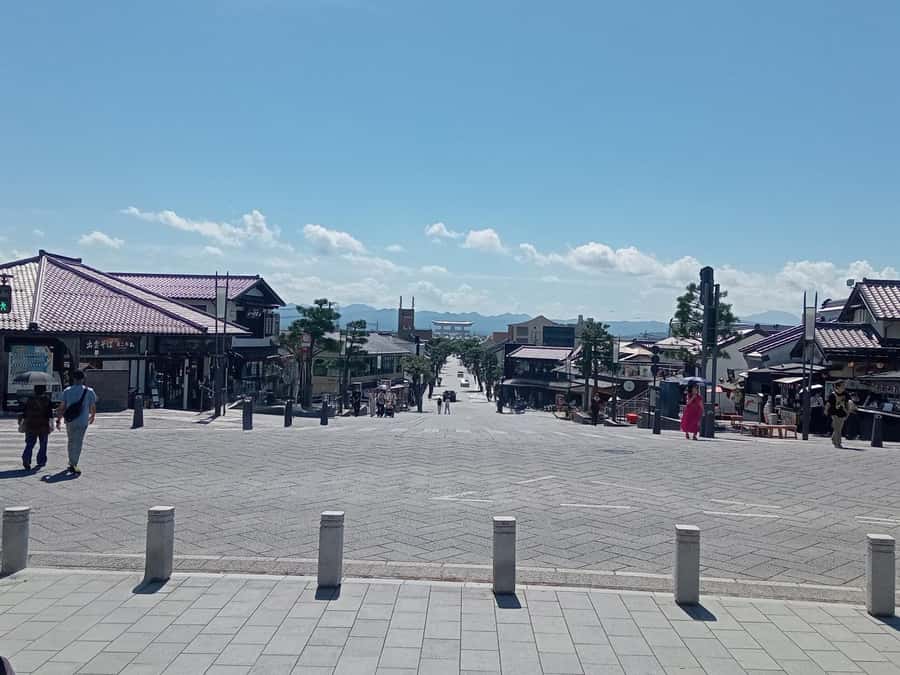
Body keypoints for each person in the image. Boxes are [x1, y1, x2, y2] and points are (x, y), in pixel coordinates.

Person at [56, 370, 97, 475]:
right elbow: (92, 406)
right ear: (83, 379)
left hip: (70, 420)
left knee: (70, 441)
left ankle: (71, 461)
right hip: (83, 420)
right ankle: (74, 463)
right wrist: (92, 416)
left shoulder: (67, 391)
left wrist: (58, 419)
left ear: (73, 379)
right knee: (78, 442)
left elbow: (62, 407)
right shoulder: (89, 391)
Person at [21, 384, 55, 471]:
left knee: (30, 443)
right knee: (43, 444)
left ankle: (26, 458)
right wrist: (51, 425)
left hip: (30, 424)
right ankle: (41, 461)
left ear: (34, 391)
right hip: (43, 425)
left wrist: (22, 423)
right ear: (44, 391)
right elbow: (50, 414)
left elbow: (24, 414)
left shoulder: (29, 400)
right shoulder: (47, 400)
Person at [826, 381, 849, 448]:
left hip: (842, 413)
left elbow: (847, 403)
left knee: (839, 428)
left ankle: (833, 438)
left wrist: (848, 411)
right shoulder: (832, 395)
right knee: (837, 429)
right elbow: (828, 404)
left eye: (844, 385)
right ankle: (838, 443)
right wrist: (826, 411)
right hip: (834, 413)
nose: (844, 387)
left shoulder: (845, 394)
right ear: (838, 387)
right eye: (842, 386)